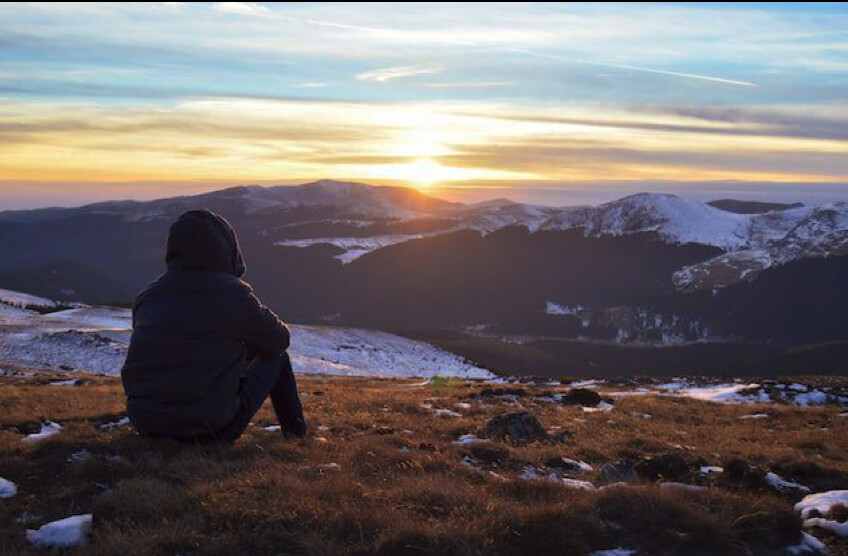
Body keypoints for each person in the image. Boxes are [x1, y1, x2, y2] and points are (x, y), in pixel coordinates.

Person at [121, 209, 307, 442]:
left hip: (147, 424)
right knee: (277, 358)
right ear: (227, 248)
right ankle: (296, 435)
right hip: (211, 429)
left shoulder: (148, 296)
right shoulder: (232, 294)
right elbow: (278, 340)